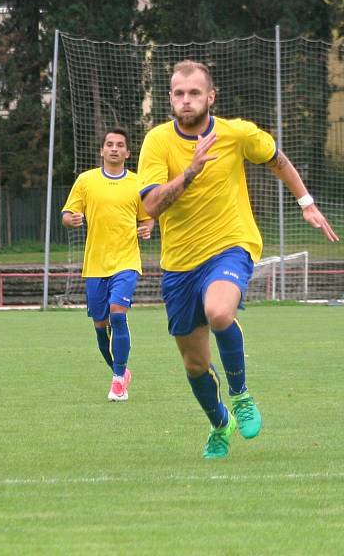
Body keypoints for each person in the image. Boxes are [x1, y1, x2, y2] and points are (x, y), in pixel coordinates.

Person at [138, 60, 339, 459]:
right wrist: (191, 171)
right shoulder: (157, 142)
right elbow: (152, 204)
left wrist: (306, 203)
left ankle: (241, 394)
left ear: (211, 97)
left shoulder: (237, 133)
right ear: (170, 100)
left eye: (194, 93)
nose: (186, 100)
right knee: (195, 364)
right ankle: (220, 423)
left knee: (219, 312)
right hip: (179, 264)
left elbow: (276, 158)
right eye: (179, 93)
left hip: (232, 245)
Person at [61, 128, 154, 401]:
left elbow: (148, 218)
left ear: (128, 152)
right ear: (101, 150)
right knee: (101, 328)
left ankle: (117, 381)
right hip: (95, 264)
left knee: (117, 313)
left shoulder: (138, 183)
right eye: (110, 144)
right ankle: (120, 371)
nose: (114, 149)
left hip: (126, 261)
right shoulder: (86, 181)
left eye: (120, 145)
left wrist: (147, 228)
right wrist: (72, 220)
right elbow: (67, 213)